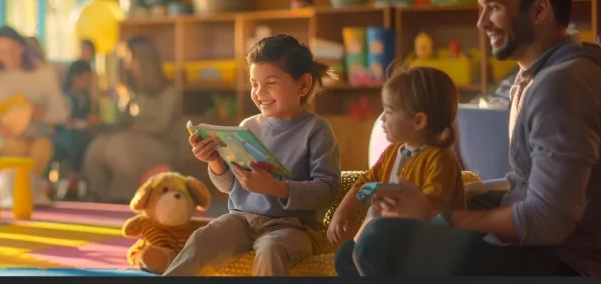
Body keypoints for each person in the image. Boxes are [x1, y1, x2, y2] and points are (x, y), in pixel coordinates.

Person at [354, 0, 601, 276]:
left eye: (494, 8)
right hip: (537, 243)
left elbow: (547, 221)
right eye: (481, 8)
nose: (481, 22)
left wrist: (437, 216)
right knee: (356, 251)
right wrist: (472, 192)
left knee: (378, 243)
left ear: (540, 9)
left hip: (562, 261)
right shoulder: (538, 76)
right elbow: (534, 183)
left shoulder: (561, 85)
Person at [163, 34, 341, 276]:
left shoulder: (316, 130)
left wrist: (277, 188)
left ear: (303, 85)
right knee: (203, 238)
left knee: (270, 249)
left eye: (271, 83)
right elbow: (230, 186)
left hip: (294, 228)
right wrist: (215, 161)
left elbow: (328, 191)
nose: (259, 92)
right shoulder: (248, 126)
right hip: (242, 220)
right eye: (254, 84)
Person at [331, 67, 466, 276]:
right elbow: (364, 183)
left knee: (375, 229)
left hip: (428, 246)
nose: (382, 119)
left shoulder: (440, 160)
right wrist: (341, 213)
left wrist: (391, 201)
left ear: (419, 121)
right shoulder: (394, 151)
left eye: (390, 111)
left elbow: (431, 208)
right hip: (391, 238)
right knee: (344, 256)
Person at [81, 36, 187, 204]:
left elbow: (161, 126)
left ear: (144, 60)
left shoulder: (169, 92)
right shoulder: (134, 92)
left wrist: (139, 128)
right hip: (132, 140)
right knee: (99, 145)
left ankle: (121, 199)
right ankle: (99, 196)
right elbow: (122, 123)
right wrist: (102, 124)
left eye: (130, 59)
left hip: (163, 147)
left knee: (121, 148)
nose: (127, 64)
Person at [0, 26, 70, 207]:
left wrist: (41, 113)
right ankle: (9, 191)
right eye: (1, 52)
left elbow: (61, 113)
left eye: (11, 50)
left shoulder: (43, 73)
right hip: (2, 134)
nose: (7, 57)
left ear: (22, 47)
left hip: (37, 132)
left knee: (41, 148)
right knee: (14, 147)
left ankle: (31, 191)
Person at [52, 60, 100, 200]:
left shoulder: (86, 98)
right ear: (75, 78)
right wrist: (84, 123)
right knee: (76, 140)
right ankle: (72, 177)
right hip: (66, 135)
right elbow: (66, 122)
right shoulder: (66, 98)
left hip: (82, 133)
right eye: (85, 79)